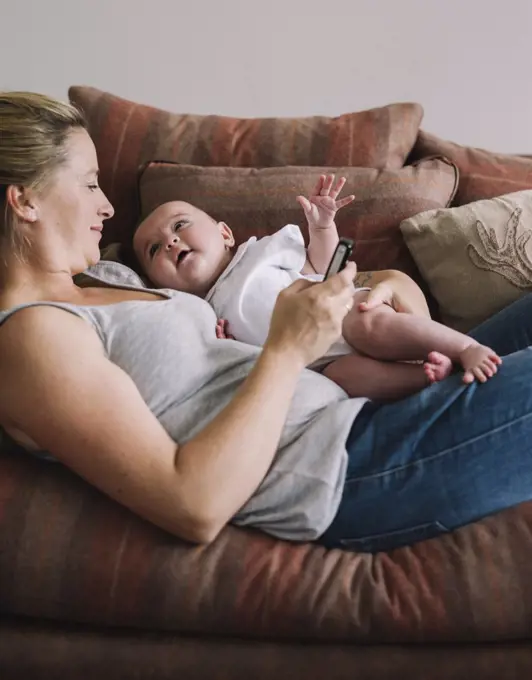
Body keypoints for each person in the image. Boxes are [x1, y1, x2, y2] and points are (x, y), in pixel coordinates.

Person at [1, 92, 532, 556]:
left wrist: (391, 287)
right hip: (353, 464)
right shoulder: (31, 338)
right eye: (90, 184)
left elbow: (349, 286)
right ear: (24, 201)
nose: (108, 203)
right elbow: (193, 504)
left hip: (369, 405)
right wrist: (286, 350)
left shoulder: (108, 274)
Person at [131, 177, 501, 400]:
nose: (170, 242)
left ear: (225, 234)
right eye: (154, 249)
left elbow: (321, 265)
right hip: (317, 364)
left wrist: (323, 226)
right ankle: (424, 377)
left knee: (368, 323)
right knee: (344, 379)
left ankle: (465, 346)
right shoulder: (201, 312)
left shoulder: (261, 251)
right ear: (157, 282)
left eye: (180, 225)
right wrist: (222, 345)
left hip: (340, 316)